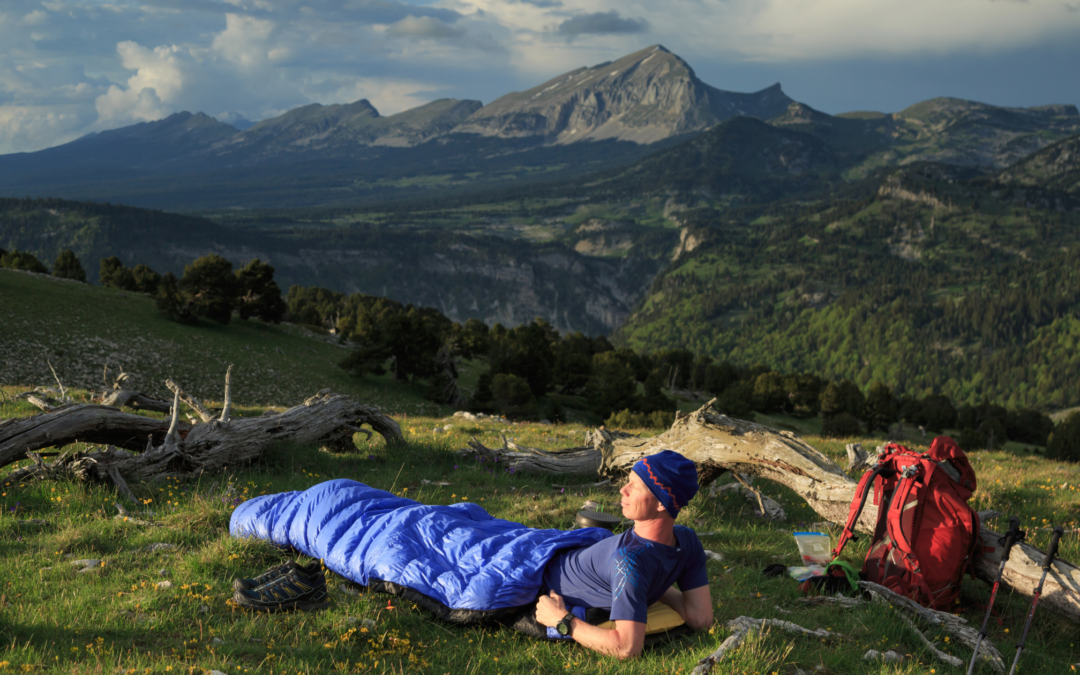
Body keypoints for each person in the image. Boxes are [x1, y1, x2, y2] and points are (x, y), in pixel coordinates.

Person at [534, 450, 714, 658]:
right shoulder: (632, 561)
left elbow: (701, 620)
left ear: (662, 503)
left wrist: (562, 620)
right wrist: (562, 619)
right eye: (628, 482)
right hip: (546, 572)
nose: (622, 490)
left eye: (635, 486)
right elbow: (627, 647)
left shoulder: (685, 544)